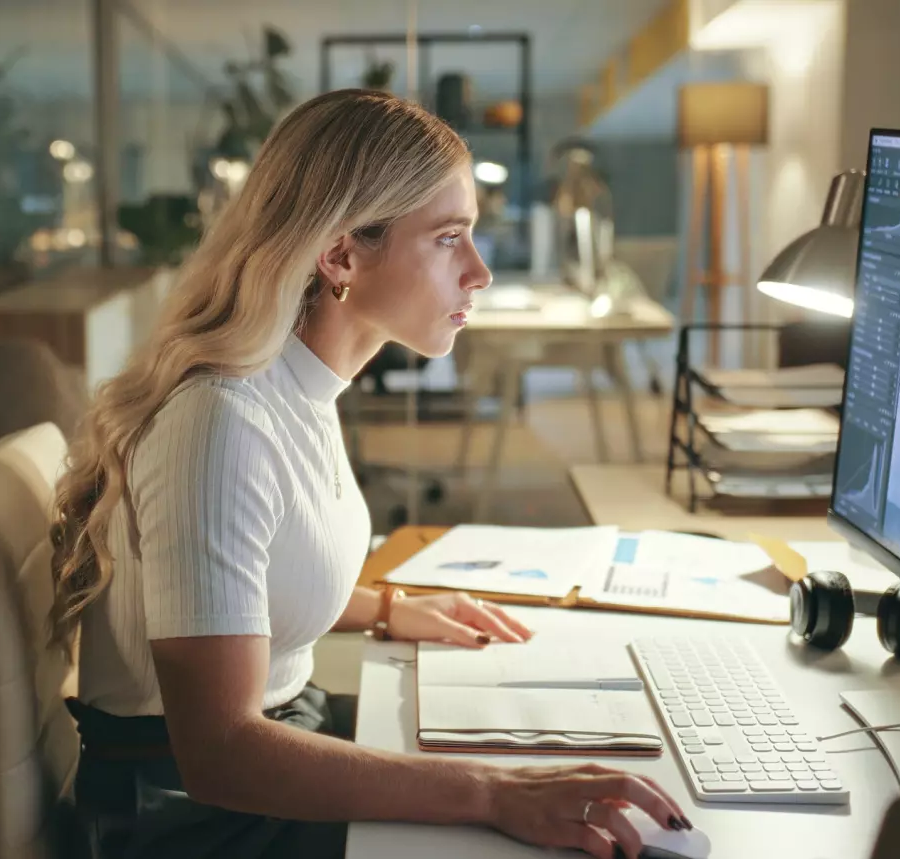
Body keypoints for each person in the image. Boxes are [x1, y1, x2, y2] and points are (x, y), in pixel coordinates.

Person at [47, 89, 689, 859]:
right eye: (449, 238)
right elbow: (220, 753)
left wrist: (384, 606)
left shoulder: (295, 385)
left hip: (269, 744)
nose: (479, 273)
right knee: (541, 812)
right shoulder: (217, 424)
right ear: (343, 254)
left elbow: (249, 576)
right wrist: (490, 794)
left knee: (567, 759)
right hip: (194, 819)